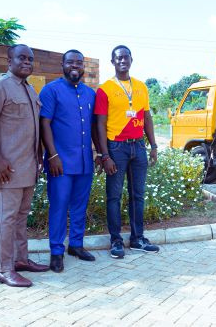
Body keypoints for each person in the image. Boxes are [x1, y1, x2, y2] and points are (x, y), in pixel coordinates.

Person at [0, 44, 50, 288]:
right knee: (7, 218)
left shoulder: (30, 89)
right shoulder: (0, 86)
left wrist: (39, 156)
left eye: (30, 58)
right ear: (9, 59)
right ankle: (4, 270)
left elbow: (34, 128)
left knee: (21, 217)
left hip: (28, 166)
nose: (27, 62)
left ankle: (20, 260)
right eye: (22, 58)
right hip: (7, 168)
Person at [94, 45, 160, 259]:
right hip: (116, 148)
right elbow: (100, 124)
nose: (122, 61)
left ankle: (137, 238)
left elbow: (147, 117)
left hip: (138, 146)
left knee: (137, 195)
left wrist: (154, 146)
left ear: (131, 59)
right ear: (112, 62)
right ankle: (116, 241)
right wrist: (105, 155)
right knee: (114, 196)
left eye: (126, 57)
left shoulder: (141, 86)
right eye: (118, 58)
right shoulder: (105, 89)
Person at [39, 49, 100, 273]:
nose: (75, 66)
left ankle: (76, 245)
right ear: (62, 65)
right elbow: (44, 124)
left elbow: (94, 127)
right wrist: (52, 155)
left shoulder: (90, 93)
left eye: (79, 63)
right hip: (60, 163)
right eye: (70, 62)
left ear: (83, 66)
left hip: (84, 162)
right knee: (58, 206)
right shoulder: (51, 90)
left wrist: (100, 154)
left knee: (79, 206)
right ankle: (56, 251)